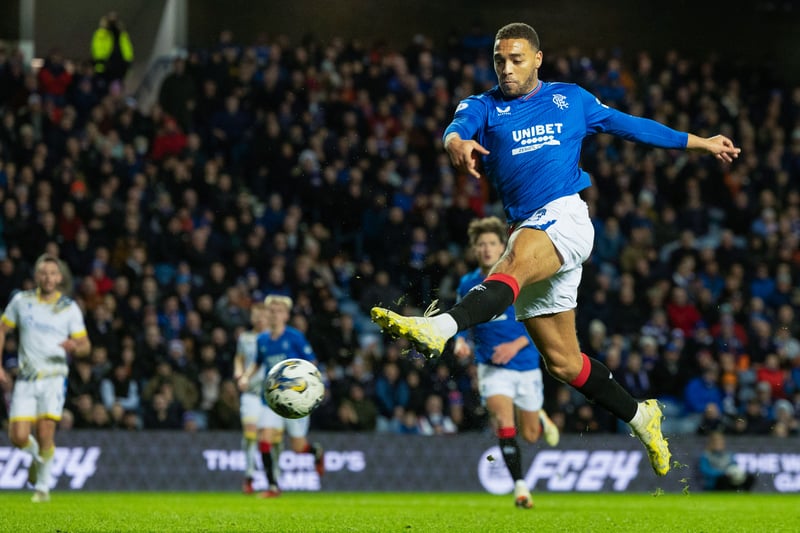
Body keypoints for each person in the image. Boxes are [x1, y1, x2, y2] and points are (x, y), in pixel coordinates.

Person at [371, 22, 741, 478]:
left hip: (565, 216)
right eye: (499, 60)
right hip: (529, 227)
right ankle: (641, 417)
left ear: (538, 59)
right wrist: (458, 144)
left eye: (517, 59)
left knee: (509, 263)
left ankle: (440, 327)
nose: (506, 69)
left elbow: (630, 126)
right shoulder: (483, 105)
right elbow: (456, 127)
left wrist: (700, 142)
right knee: (564, 363)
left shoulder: (572, 99)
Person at [453, 216, 559, 509]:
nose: (486, 249)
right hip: (491, 366)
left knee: (531, 435)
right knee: (503, 420)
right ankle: (521, 488)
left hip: (525, 363)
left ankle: (538, 415)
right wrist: (461, 341)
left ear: (503, 246)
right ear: (475, 249)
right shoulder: (468, 283)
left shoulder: (519, 277)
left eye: (491, 243)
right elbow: (464, 321)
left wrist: (517, 343)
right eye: (481, 244)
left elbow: (544, 319)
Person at [0, 254, 91, 502]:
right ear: (37, 276)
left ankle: (42, 489)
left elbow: (85, 346)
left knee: (44, 431)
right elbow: (2, 329)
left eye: (53, 273)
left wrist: (75, 346)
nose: (48, 277)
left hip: (54, 377)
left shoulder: (69, 308)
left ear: (59, 277)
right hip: (27, 378)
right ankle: (37, 459)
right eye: (44, 272)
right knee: (18, 436)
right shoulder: (21, 301)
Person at [238, 295, 324, 498]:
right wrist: (245, 377)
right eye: (271, 311)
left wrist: (314, 389)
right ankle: (273, 486)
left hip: (296, 400)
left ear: (286, 315)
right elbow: (257, 363)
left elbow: (312, 364)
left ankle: (316, 452)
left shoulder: (295, 338)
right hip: (271, 400)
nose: (274, 314)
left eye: (278, 311)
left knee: (298, 447)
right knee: (264, 440)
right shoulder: (262, 340)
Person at [232, 301, 277, 495]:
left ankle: (274, 478)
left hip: (272, 395)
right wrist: (239, 373)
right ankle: (249, 476)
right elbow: (239, 358)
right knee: (250, 435)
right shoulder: (246, 338)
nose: (259, 318)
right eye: (256, 315)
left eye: (262, 315)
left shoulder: (274, 338)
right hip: (251, 393)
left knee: (273, 439)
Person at [91, 11, 134, 94]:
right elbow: (97, 48)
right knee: (103, 91)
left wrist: (128, 61)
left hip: (120, 67)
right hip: (105, 67)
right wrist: (103, 28)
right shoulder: (101, 33)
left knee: (117, 91)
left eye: (114, 20)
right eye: (110, 20)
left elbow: (127, 48)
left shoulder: (122, 34)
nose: (112, 22)